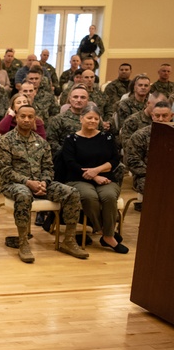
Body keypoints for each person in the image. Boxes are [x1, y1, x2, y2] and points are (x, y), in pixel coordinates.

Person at [0, 105, 88, 264]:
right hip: (14, 184)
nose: (26, 120)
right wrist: (28, 182)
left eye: (30, 117)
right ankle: (23, 242)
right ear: (16, 117)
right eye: (23, 116)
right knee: (23, 194)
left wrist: (44, 182)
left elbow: (48, 168)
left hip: (39, 183)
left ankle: (69, 240)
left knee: (72, 192)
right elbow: (3, 170)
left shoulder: (41, 142)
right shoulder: (5, 141)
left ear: (35, 120)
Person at [59, 105, 126, 254]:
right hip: (78, 178)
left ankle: (107, 235)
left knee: (108, 196)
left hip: (106, 177)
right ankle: (106, 234)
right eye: (89, 118)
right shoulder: (71, 139)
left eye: (96, 119)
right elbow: (70, 163)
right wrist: (95, 176)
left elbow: (115, 159)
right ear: (81, 119)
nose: (93, 121)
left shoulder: (107, 137)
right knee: (90, 197)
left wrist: (97, 170)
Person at [125, 101, 171, 197]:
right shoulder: (140, 135)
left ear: (171, 116)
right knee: (154, 186)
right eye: (157, 116)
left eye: (165, 116)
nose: (161, 119)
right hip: (147, 176)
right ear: (152, 116)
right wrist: (154, 174)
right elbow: (131, 160)